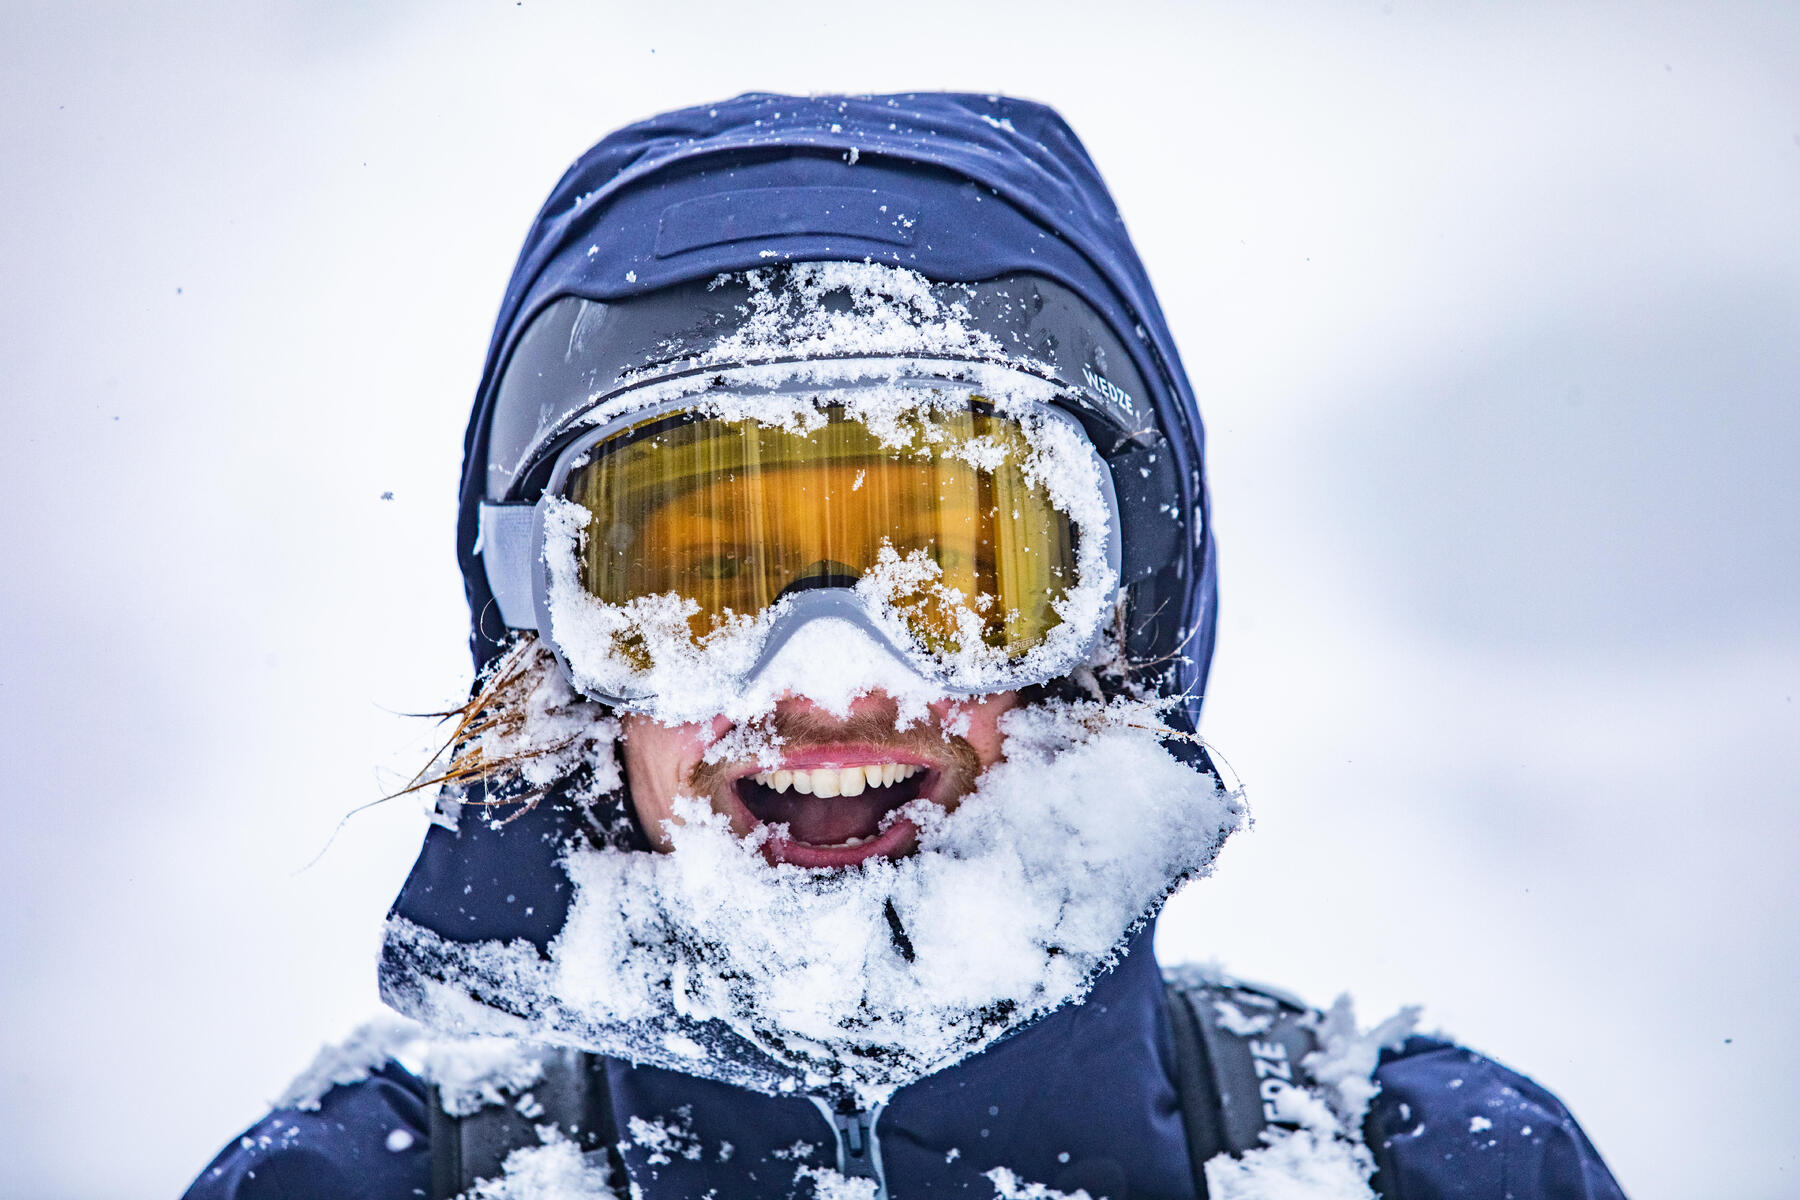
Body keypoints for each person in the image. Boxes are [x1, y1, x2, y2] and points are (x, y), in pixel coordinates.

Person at [182, 93, 1626, 1200]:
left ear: (1122, 622)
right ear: (548, 646)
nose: (829, 680)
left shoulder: (1434, 1173)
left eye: (952, 577)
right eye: (698, 586)